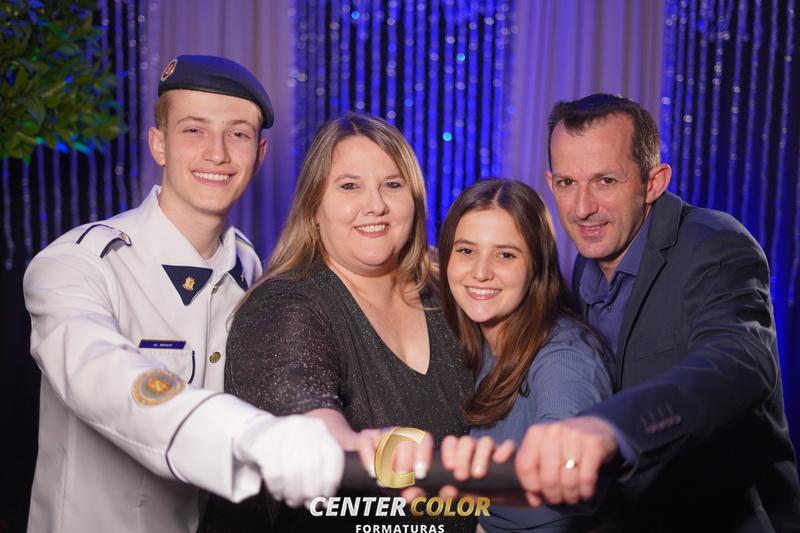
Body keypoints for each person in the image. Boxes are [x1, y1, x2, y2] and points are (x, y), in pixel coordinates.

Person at [23, 55, 343, 533]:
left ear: (259, 154)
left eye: (238, 134)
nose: (217, 153)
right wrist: (254, 439)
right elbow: (101, 372)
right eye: (194, 130)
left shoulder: (250, 269)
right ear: (159, 144)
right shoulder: (79, 263)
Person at [512, 93, 800, 531]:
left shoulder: (713, 243)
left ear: (654, 182)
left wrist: (612, 429)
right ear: (551, 184)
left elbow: (740, 362)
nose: (582, 208)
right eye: (568, 183)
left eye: (605, 181)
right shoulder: (584, 264)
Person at [216, 112, 473, 530]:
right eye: (350, 186)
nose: (376, 205)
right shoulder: (284, 306)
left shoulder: (446, 291)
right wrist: (349, 447)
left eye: (392, 185)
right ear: (314, 206)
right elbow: (302, 410)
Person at [436, 178, 613, 531]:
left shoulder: (564, 355)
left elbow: (565, 455)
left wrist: (453, 472)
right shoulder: (488, 338)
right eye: (466, 250)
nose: (480, 272)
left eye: (505, 254)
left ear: (537, 265)